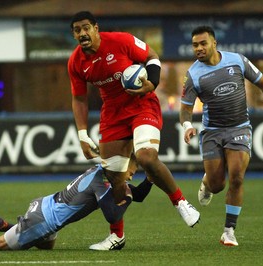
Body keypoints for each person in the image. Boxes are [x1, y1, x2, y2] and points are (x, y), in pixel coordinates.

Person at [67, 11, 200, 249]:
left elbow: (152, 56)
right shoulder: (76, 62)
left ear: (96, 28)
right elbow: (79, 99)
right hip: (113, 115)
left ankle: (180, 202)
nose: (82, 33)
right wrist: (82, 134)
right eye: (77, 30)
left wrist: (153, 82)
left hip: (141, 104)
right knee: (114, 178)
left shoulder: (120, 41)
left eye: (86, 28)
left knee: (146, 156)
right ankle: (117, 236)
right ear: (74, 34)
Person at [180, 25, 263, 247]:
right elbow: (185, 108)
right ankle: (207, 182)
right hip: (212, 132)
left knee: (237, 176)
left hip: (239, 128)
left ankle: (229, 231)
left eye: (203, 43)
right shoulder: (193, 75)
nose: (198, 48)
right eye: (195, 45)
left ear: (214, 43)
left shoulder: (237, 60)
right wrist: (187, 125)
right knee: (218, 185)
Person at [0, 161, 153, 251]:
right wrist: (128, 198)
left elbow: (137, 194)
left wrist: (152, 178)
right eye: (133, 167)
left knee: (46, 247)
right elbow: (113, 216)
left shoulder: (102, 173)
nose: (133, 172)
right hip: (45, 220)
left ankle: (5, 225)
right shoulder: (103, 182)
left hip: (47, 205)